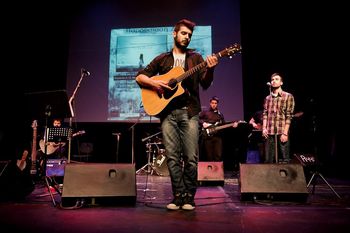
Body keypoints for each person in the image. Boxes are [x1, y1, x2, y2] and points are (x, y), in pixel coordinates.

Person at [135, 19, 219, 211]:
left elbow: (205, 84)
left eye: (189, 35)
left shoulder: (196, 59)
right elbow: (140, 76)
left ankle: (189, 197)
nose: (187, 37)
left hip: (190, 112)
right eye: (183, 33)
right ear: (174, 34)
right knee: (172, 157)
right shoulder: (162, 59)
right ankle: (178, 195)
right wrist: (155, 84)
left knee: (190, 157)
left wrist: (211, 68)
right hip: (167, 114)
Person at [262, 72, 295, 163]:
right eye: (272, 79)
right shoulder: (268, 98)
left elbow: (289, 116)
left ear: (281, 83)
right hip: (269, 132)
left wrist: (285, 133)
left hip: (282, 130)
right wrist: (264, 128)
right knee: (268, 160)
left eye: (276, 79)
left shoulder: (288, 96)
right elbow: (265, 114)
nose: (274, 81)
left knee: (285, 159)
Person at [199, 96, 225, 161]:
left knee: (218, 155)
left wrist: (233, 124)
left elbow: (223, 124)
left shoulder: (220, 114)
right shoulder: (205, 112)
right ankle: (210, 170)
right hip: (208, 137)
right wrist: (203, 123)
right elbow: (198, 118)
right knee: (209, 155)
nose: (214, 104)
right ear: (210, 103)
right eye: (212, 103)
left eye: (215, 103)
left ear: (217, 104)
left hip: (217, 137)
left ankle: (217, 170)